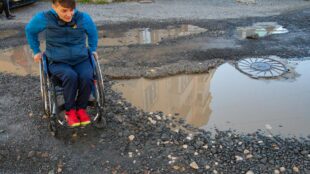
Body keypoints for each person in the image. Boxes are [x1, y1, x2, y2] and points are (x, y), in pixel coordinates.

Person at [25, 0, 98, 127]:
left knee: (87, 75)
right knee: (70, 76)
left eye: (71, 10)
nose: (69, 14)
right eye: (64, 10)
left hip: (80, 58)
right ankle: (70, 111)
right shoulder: (44, 18)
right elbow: (30, 30)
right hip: (57, 61)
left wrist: (92, 49)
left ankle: (81, 109)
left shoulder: (83, 18)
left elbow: (92, 32)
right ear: (54, 7)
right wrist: (36, 51)